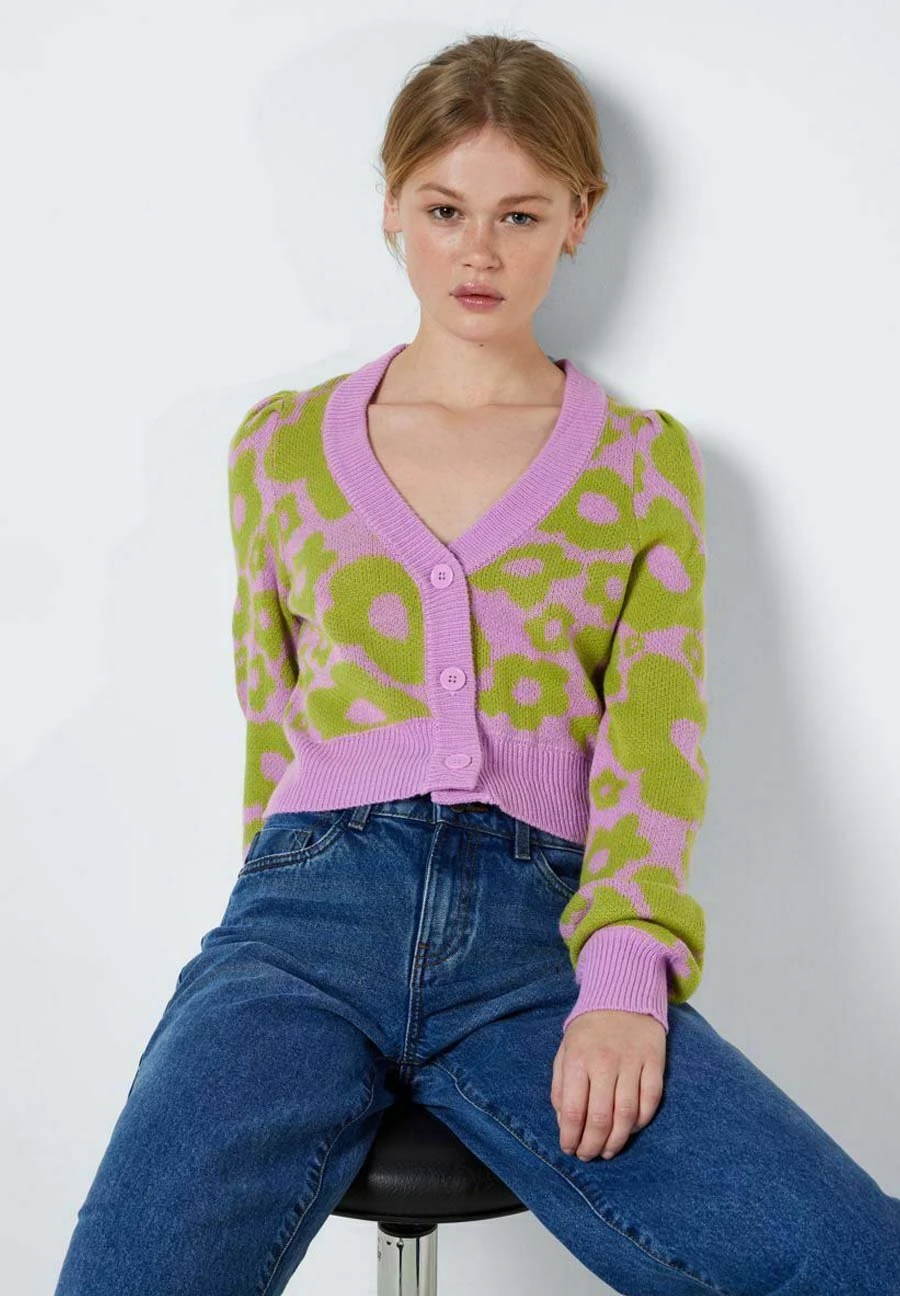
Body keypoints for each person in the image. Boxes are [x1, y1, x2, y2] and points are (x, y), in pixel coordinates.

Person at [53, 32, 900, 1296]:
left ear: (581, 216)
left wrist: (625, 973)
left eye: (521, 214)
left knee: (854, 1258)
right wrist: (272, 899)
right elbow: (271, 718)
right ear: (392, 205)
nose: (480, 252)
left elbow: (655, 741)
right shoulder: (277, 448)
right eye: (446, 209)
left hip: (540, 945)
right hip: (304, 923)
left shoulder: (641, 464)